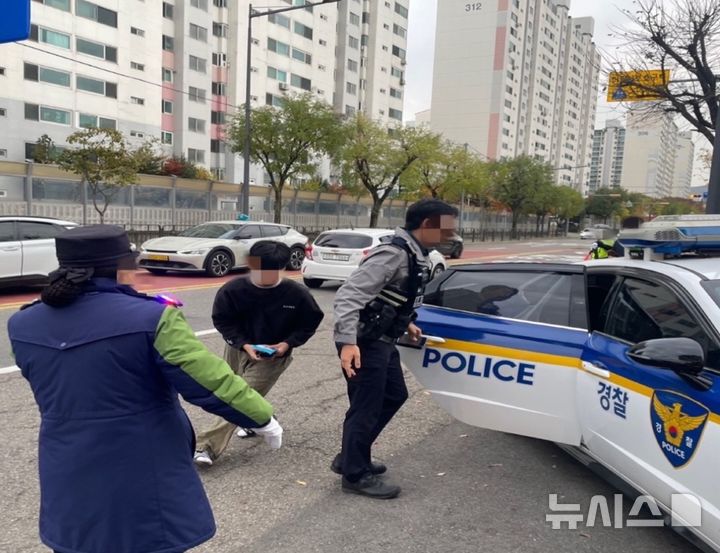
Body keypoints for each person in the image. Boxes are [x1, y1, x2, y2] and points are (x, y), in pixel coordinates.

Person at [7, 225, 283, 553]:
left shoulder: (22, 323)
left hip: (65, 463)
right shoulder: (153, 318)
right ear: (121, 268)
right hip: (142, 463)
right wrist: (262, 416)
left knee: (80, 540)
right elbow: (209, 382)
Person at [333, 198, 459, 499]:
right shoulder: (393, 254)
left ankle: (352, 457)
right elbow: (348, 297)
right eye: (447, 230)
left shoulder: (418, 254)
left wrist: (408, 322)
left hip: (383, 340)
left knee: (393, 395)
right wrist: (348, 343)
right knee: (366, 407)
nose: (452, 236)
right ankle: (354, 474)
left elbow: (396, 296)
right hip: (364, 343)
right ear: (427, 225)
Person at [194, 240, 324, 466]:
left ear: (283, 268)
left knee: (236, 398)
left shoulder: (297, 295)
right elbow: (222, 320)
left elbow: (310, 322)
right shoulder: (233, 290)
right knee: (235, 392)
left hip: (273, 356)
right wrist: (244, 344)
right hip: (237, 348)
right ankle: (259, 418)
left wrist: (286, 344)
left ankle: (206, 446)